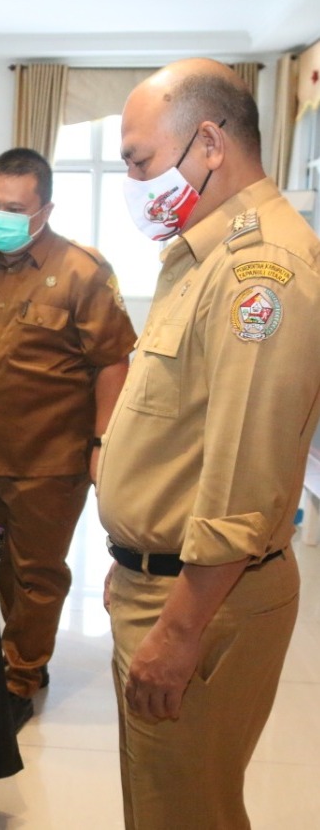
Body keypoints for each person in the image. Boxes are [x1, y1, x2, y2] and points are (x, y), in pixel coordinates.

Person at [97, 58, 320, 830]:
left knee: (184, 815)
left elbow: (244, 478)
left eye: (139, 160)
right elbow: (182, 437)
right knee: (164, 804)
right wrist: (132, 568)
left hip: (203, 599)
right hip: (162, 582)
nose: (132, 181)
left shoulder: (262, 272)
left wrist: (179, 622)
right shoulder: (203, 252)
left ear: (210, 143)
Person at [0, 147, 136, 732]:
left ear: (44, 208)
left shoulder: (81, 272)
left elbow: (114, 361)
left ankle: (21, 674)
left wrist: (100, 444)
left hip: (52, 454)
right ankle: (13, 656)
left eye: (13, 208)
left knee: (37, 570)